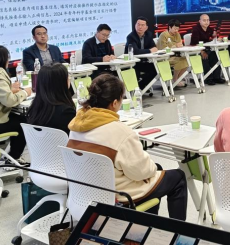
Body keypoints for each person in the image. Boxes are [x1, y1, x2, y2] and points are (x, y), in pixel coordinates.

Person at [67, 74, 187, 219]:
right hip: (118, 196)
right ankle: (177, 230)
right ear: (114, 103)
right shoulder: (120, 132)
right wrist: (150, 166)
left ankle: (147, 224)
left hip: (86, 192)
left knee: (157, 169)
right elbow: (141, 172)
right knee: (178, 177)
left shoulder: (76, 126)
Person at [27, 63, 76, 136]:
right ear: (61, 82)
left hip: (38, 143)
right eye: (67, 76)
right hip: (62, 143)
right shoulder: (67, 112)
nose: (69, 78)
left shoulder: (34, 108)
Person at [190, 14, 224, 85]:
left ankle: (217, 77)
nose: (206, 22)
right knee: (204, 58)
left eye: (208, 20)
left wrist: (216, 37)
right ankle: (208, 78)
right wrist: (202, 51)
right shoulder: (196, 30)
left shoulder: (209, 29)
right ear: (200, 21)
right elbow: (193, 43)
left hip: (207, 49)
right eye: (204, 20)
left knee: (216, 56)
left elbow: (213, 38)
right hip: (197, 51)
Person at [125, 17, 158, 90]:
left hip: (144, 61)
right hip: (133, 63)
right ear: (135, 25)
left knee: (156, 68)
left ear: (146, 27)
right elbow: (135, 52)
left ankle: (141, 86)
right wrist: (150, 50)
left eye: (142, 25)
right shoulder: (131, 37)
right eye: (138, 24)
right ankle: (135, 89)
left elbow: (154, 47)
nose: (140, 27)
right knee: (134, 72)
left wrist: (152, 50)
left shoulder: (149, 35)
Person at [156, 19, 187, 86]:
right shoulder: (163, 35)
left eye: (177, 29)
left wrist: (179, 45)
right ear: (170, 27)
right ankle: (175, 79)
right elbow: (163, 49)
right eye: (175, 29)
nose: (176, 31)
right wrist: (175, 46)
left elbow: (180, 44)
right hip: (164, 57)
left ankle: (178, 78)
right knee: (179, 61)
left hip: (175, 55)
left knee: (186, 60)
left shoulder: (177, 34)